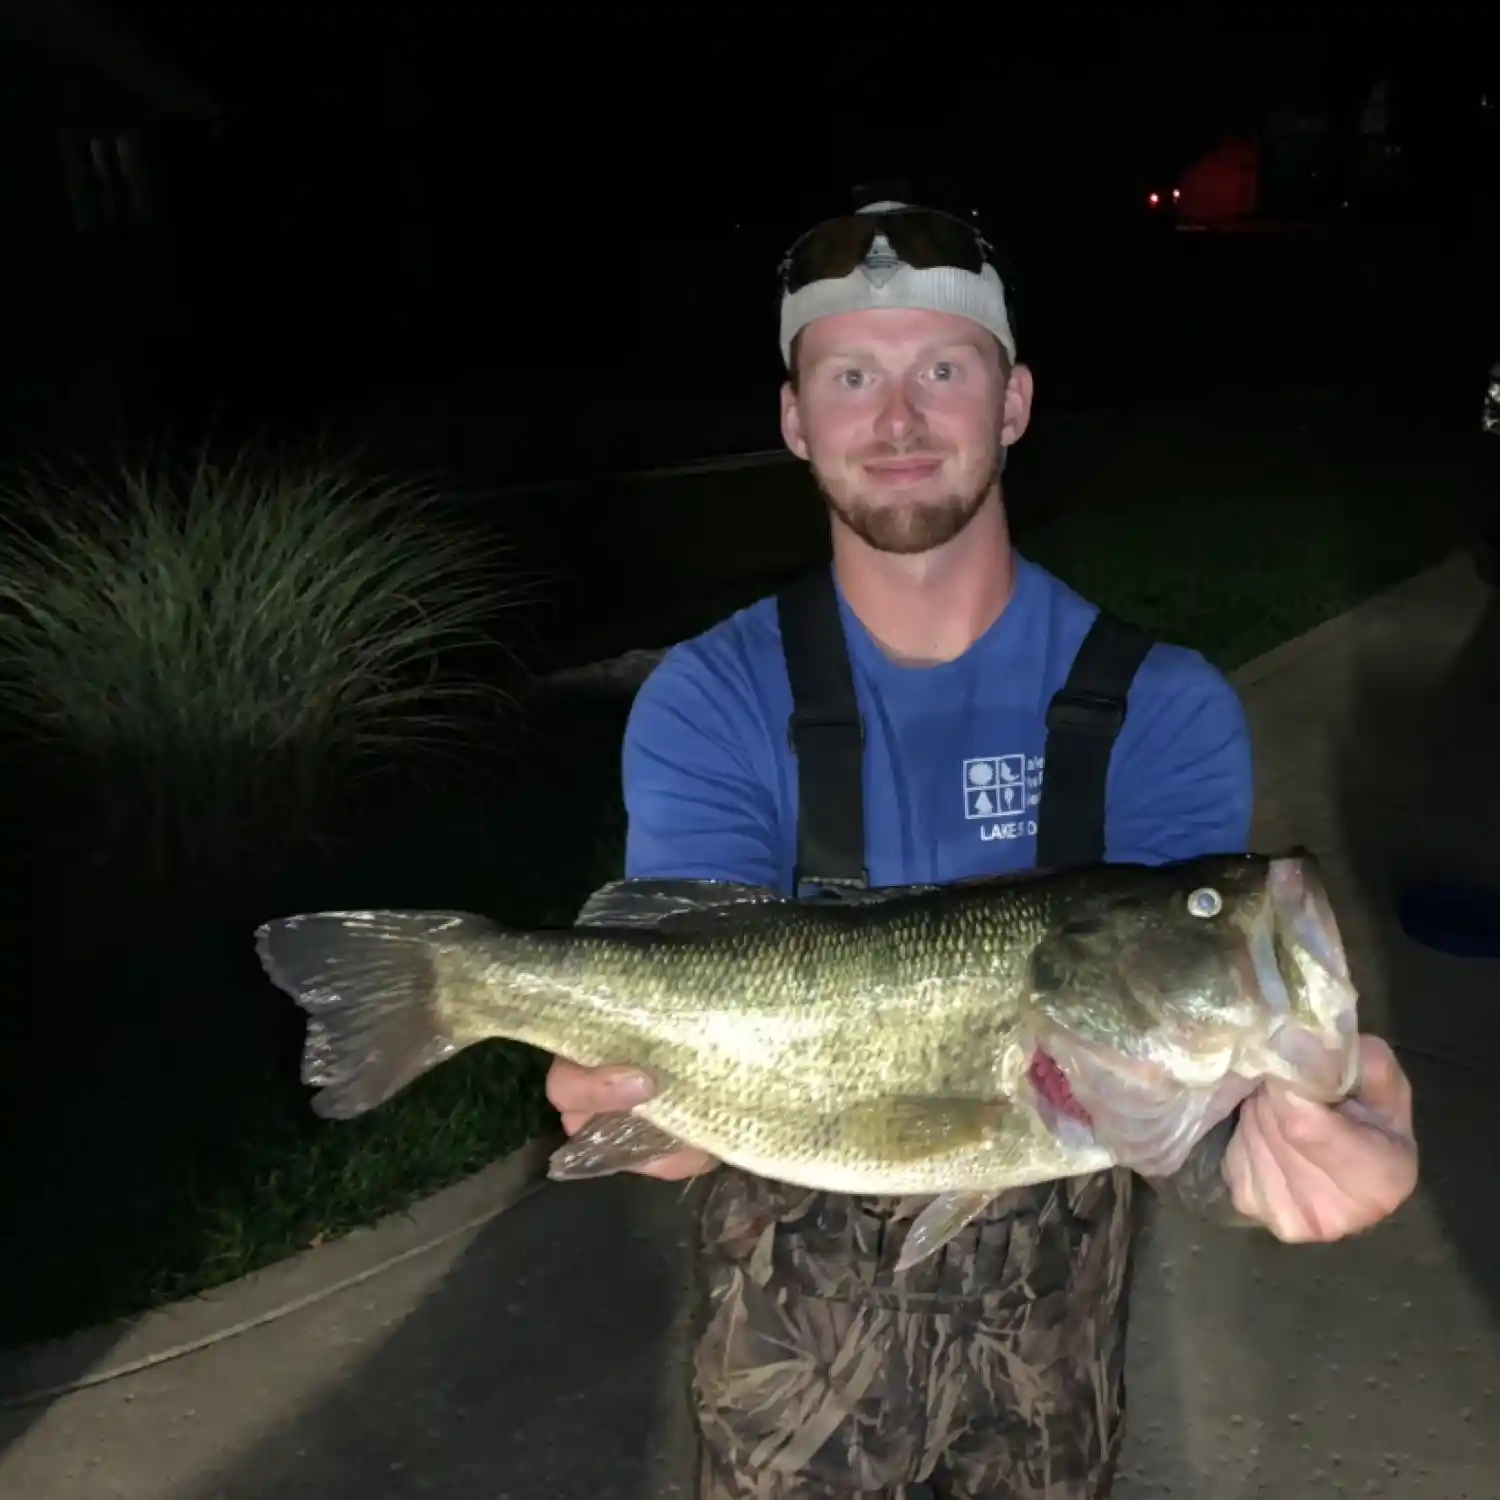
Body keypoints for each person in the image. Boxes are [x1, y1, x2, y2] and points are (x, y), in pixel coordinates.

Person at [547, 200, 1419, 1499]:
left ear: (1012, 401)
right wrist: (643, 1113)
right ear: (795, 417)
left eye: (942, 368)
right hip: (781, 1396)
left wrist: (1279, 1158)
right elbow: (680, 1017)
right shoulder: (711, 698)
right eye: (853, 374)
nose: (898, 417)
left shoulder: (1160, 710)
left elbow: (1173, 1100)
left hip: (1046, 1400)